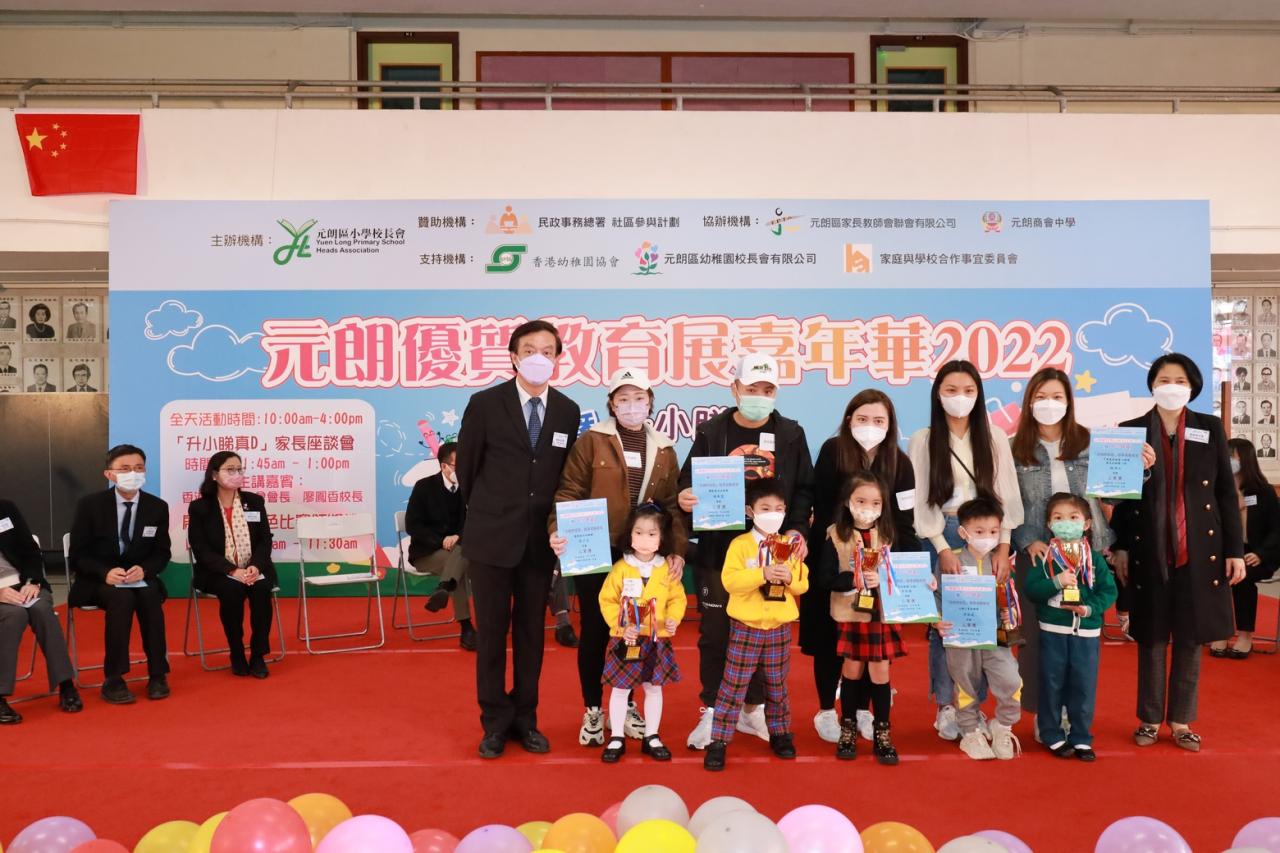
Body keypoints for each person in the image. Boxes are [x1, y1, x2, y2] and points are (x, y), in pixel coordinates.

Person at [456, 319, 581, 759]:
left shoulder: (567, 410)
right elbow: (468, 470)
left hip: (538, 542)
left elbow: (564, 475)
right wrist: (492, 512)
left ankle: (526, 719)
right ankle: (494, 722)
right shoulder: (485, 404)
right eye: (529, 350)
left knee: (531, 636)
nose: (538, 358)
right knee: (492, 634)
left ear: (558, 358)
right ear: (513, 356)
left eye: (547, 351)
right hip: (491, 538)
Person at [678, 352, 814, 749]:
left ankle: (752, 710)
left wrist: (796, 528)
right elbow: (688, 481)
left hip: (773, 553)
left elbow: (804, 489)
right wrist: (685, 496)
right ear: (735, 388)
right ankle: (712, 710)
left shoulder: (790, 434)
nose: (759, 396)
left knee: (764, 632)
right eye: (752, 388)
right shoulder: (712, 432)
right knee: (716, 633)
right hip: (720, 550)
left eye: (767, 389)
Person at [1110, 353, 1245, 751]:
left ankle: (1181, 721)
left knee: (1190, 636)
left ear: (1193, 387)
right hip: (1147, 547)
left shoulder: (1209, 427)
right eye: (1164, 379)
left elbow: (1225, 493)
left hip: (1199, 549)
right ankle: (1150, 719)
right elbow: (1119, 496)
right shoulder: (1130, 431)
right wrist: (1120, 545)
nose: (1171, 386)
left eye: (1180, 380)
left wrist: (1234, 550)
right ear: (1152, 386)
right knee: (1151, 637)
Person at [549, 366, 685, 747]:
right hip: (596, 548)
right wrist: (556, 529)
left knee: (641, 629)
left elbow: (672, 505)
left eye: (639, 398)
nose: (631, 405)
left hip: (644, 553)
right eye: (623, 399)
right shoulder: (592, 441)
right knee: (598, 628)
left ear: (650, 402)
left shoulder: (664, 448)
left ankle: (626, 707)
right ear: (611, 403)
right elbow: (568, 491)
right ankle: (594, 708)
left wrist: (675, 549)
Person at [909, 360, 1023, 742]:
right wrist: (942, 547)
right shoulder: (923, 439)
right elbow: (922, 500)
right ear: (938, 395)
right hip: (943, 533)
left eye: (968, 391)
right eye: (951, 390)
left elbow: (1007, 494)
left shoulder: (994, 437)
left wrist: (1003, 545)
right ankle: (947, 705)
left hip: (987, 536)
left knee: (985, 622)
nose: (960, 398)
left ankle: (977, 705)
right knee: (946, 626)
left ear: (979, 395)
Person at [802, 389, 917, 745]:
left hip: (878, 567)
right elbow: (821, 506)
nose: (870, 426)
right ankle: (826, 710)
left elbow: (906, 520)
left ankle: (863, 711)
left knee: (870, 642)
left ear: (890, 424)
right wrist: (837, 556)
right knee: (828, 640)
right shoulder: (832, 451)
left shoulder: (901, 462)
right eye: (863, 418)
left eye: (879, 420)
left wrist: (907, 569)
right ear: (849, 419)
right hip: (834, 556)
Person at [1010, 367, 1115, 724]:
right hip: (1037, 554)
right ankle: (1044, 714)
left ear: (1069, 401)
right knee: (1037, 639)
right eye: (1040, 397)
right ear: (1029, 402)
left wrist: (1140, 470)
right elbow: (1007, 501)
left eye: (1057, 397)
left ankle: (1073, 713)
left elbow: (1114, 493)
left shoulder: (1090, 442)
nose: (1049, 404)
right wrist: (1027, 540)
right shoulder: (1013, 447)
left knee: (1080, 636)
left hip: (1084, 554)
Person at [704, 478, 809, 771]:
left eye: (779, 508)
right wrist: (762, 574)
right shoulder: (740, 545)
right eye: (765, 508)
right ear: (750, 511)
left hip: (779, 628)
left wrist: (790, 578)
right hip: (746, 626)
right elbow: (730, 581)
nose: (773, 514)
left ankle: (780, 733)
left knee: (777, 684)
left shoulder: (789, 545)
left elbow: (803, 583)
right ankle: (719, 740)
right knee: (733, 685)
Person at [69, 444, 172, 704]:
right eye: (125, 469)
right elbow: (78, 554)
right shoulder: (90, 505)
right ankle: (114, 678)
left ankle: (157, 673)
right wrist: (104, 572)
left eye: (138, 468)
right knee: (121, 598)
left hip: (139, 577)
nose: (133, 474)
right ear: (109, 474)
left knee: (149, 595)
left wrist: (145, 569)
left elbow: (162, 552)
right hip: (99, 580)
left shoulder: (157, 507)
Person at [814, 473, 904, 764]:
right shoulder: (835, 534)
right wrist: (854, 579)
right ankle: (848, 729)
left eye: (876, 503)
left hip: (880, 614)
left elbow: (901, 573)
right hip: (851, 613)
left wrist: (913, 581)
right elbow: (824, 577)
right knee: (851, 671)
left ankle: (882, 732)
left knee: (880, 672)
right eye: (861, 501)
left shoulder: (888, 535)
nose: (868, 508)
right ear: (847, 502)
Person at [1024, 493, 1118, 761]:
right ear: (1049, 524)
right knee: (1051, 683)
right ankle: (1051, 734)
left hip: (1086, 633)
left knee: (1083, 687)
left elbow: (1108, 591)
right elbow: (1032, 590)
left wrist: (1089, 609)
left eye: (1073, 517)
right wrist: (1056, 582)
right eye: (1058, 518)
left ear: (1086, 524)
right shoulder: (1045, 557)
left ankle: (1081, 737)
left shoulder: (1094, 559)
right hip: (1053, 630)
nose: (1066, 522)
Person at [934, 497, 1023, 761]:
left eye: (994, 532)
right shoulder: (951, 561)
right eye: (979, 531)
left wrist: (1009, 612)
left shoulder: (1001, 563)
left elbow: (1009, 598)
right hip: (960, 637)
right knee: (965, 685)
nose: (987, 537)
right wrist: (936, 620)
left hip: (994, 636)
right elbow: (936, 596)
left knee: (1011, 680)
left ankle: (1003, 726)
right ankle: (970, 731)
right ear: (963, 533)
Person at [596, 504, 686, 763]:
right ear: (629, 535)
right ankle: (616, 737)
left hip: (656, 640)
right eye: (639, 532)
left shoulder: (666, 569)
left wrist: (673, 619)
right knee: (620, 688)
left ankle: (652, 736)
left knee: (654, 688)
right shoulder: (621, 568)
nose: (644, 539)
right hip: (627, 638)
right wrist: (621, 626)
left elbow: (677, 599)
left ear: (662, 538)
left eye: (652, 534)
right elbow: (607, 600)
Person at [187, 451, 276, 678]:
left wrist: (255, 566)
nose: (236, 473)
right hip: (217, 572)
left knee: (261, 589)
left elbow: (265, 540)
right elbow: (201, 549)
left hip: (254, 567)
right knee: (232, 589)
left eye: (239, 469)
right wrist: (232, 570)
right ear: (214, 475)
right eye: (230, 469)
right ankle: (236, 652)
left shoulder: (254, 502)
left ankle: (258, 654)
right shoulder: (200, 508)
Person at [0, 497, 81, 723]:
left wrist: (32, 581)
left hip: (23, 583)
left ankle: (66, 685)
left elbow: (30, 549)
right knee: (14, 615)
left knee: (42, 609)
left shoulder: (5, 508)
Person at [1210, 439, 1280, 659]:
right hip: (1228, 551)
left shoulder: (1263, 491)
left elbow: (1277, 530)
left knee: (1242, 578)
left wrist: (1261, 554)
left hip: (1258, 553)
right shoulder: (1218, 489)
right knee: (1215, 576)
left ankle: (1245, 635)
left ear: (1245, 460)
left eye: (1232, 457)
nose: (1228, 461)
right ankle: (1220, 630)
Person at [405, 441, 476, 651]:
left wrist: (458, 536)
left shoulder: (468, 488)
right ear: (444, 466)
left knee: (463, 554)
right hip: (427, 552)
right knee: (461, 563)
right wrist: (441, 541)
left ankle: (445, 588)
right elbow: (412, 525)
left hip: (458, 550)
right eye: (457, 465)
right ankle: (466, 627)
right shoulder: (424, 487)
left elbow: (474, 520)